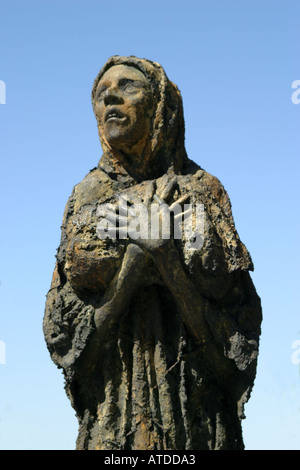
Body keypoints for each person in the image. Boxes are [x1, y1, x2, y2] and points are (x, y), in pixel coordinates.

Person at [43, 56, 262, 450]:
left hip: (197, 420)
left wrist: (166, 258)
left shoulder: (201, 189)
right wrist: (137, 259)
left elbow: (234, 346)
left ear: (161, 105)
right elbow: (75, 350)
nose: (111, 97)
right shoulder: (86, 197)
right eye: (101, 93)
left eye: (128, 87)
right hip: (113, 418)